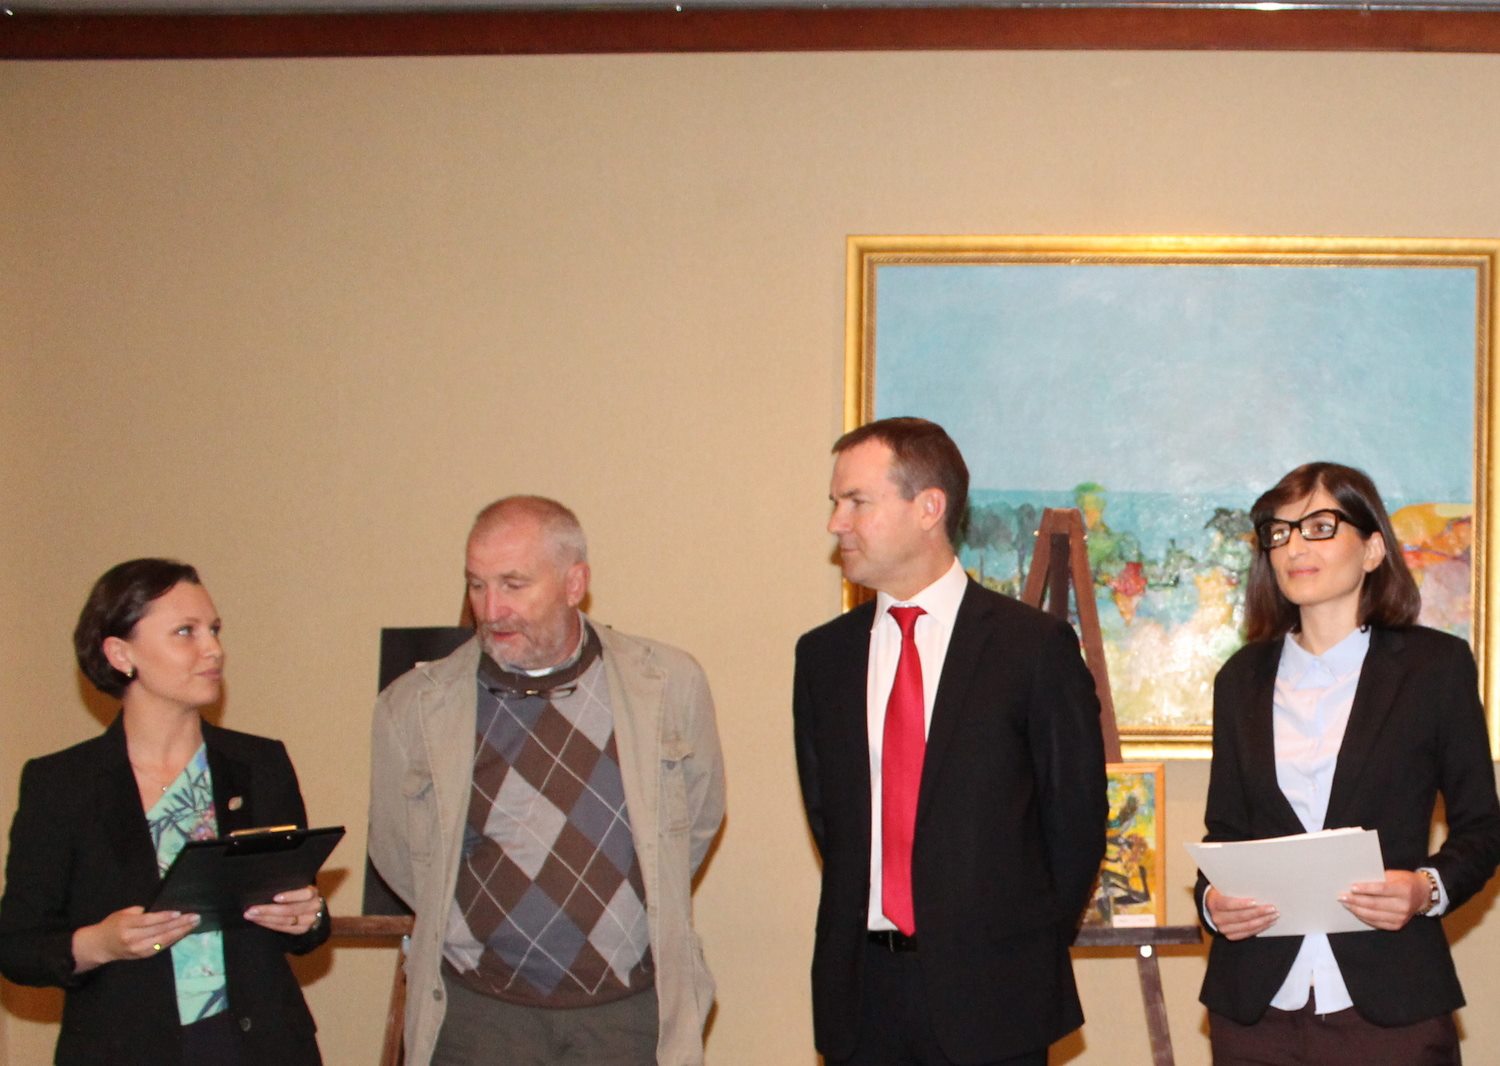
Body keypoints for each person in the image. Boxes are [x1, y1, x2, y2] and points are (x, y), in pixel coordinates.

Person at [367, 495, 725, 1066]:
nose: (491, 609)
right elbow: (399, 853)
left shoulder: (666, 685)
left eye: (513, 584)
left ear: (574, 583)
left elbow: (696, 824)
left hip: (626, 1015)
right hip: (479, 1017)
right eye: (477, 585)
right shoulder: (412, 708)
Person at [793, 417, 1108, 1066]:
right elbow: (834, 822)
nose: (835, 523)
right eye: (835, 503)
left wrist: (1015, 948)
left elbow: (1075, 826)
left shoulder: (1032, 649)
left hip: (994, 1003)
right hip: (862, 1000)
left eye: (856, 502)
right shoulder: (824, 657)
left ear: (928, 508)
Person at [1197, 461, 1500, 1065]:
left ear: (1372, 549)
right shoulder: (1239, 679)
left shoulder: (1434, 668)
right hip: (1254, 1010)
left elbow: (1483, 827)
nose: (1293, 547)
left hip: (1390, 1005)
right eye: (1278, 532)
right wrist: (1213, 904)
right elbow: (1224, 835)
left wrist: (1425, 889)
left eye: (1319, 526)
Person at [0, 559, 329, 1065]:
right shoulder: (62, 784)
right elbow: (17, 946)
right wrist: (99, 943)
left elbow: (305, 921)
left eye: (214, 629)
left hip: (260, 1047)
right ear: (121, 653)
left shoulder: (260, 764)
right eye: (185, 632)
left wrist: (307, 915)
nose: (213, 649)